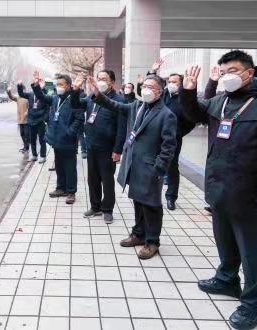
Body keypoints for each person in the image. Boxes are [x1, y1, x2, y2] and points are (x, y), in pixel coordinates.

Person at [180, 50, 257, 330]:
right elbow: (194, 113)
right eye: (223, 73)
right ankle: (227, 279)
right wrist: (188, 91)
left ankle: (255, 304)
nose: (227, 77)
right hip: (219, 188)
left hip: (251, 194)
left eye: (232, 71)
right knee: (224, 240)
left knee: (252, 251)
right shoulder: (221, 101)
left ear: (249, 72)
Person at [86, 73, 176, 259]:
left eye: (151, 87)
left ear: (160, 92)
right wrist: (97, 94)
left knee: (151, 206)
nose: (146, 90)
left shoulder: (166, 115)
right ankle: (138, 234)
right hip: (134, 164)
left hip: (151, 168)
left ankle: (152, 242)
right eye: (145, 86)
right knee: (137, 201)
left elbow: (169, 147)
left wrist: (158, 168)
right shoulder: (137, 106)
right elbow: (115, 105)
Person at [138, 59, 221, 210]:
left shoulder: (185, 100)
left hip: (173, 139)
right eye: (169, 81)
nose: (171, 84)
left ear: (181, 83)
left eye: (174, 82)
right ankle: (148, 192)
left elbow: (192, 120)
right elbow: (147, 90)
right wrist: (152, 72)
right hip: (155, 137)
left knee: (171, 168)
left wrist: (178, 133)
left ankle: (171, 197)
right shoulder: (163, 95)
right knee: (151, 164)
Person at [71, 70, 126, 224]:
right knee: (93, 179)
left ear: (112, 82)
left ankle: (107, 209)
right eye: (99, 78)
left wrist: (118, 150)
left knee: (107, 180)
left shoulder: (119, 100)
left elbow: (122, 127)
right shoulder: (91, 96)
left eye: (104, 79)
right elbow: (76, 105)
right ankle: (95, 207)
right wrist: (75, 90)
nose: (100, 81)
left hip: (108, 148)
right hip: (92, 145)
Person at [32, 70, 84, 205]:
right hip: (56, 139)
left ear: (68, 85)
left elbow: (79, 118)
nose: (58, 87)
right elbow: (42, 97)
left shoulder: (74, 99)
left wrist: (70, 132)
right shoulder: (55, 98)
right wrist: (36, 85)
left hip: (68, 140)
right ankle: (61, 188)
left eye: (61, 84)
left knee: (70, 167)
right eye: (57, 84)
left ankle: (71, 192)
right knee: (59, 165)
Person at [17, 80, 49, 163]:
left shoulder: (44, 95)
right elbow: (21, 94)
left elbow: (47, 109)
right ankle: (34, 155)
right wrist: (19, 85)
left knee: (42, 140)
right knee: (32, 140)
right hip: (31, 121)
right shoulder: (30, 94)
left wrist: (44, 119)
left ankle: (43, 156)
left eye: (39, 83)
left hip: (40, 121)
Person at [6, 84, 30, 153]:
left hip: (26, 120)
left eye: (22, 90)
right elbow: (11, 97)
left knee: (26, 135)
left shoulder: (27, 98)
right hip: (20, 120)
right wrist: (9, 91)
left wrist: (27, 112)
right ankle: (25, 146)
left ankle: (27, 147)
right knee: (22, 134)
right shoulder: (18, 98)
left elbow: (30, 107)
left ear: (24, 90)